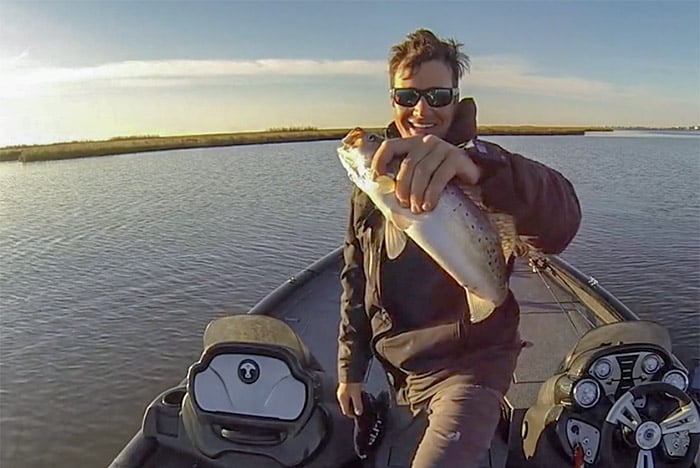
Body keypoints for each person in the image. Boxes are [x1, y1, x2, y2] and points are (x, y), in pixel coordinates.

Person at [336, 29, 581, 468]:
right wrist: (351, 370)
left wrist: (485, 173)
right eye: (407, 96)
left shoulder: (484, 165)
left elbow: (563, 221)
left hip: (473, 364)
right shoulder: (371, 187)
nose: (422, 109)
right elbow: (356, 280)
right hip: (402, 368)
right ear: (392, 100)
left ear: (456, 98)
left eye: (438, 95)